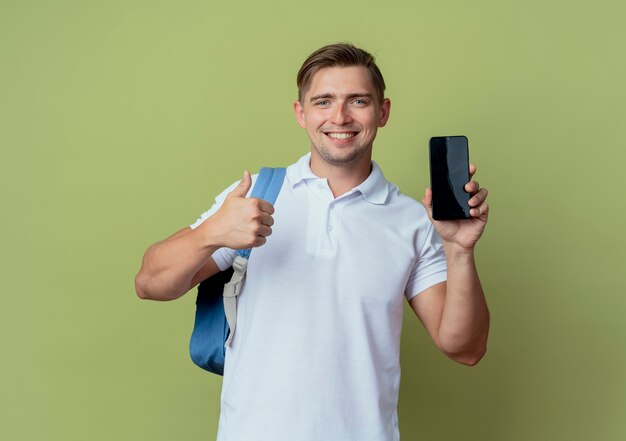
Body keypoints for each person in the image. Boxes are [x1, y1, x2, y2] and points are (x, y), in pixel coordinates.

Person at [135, 43, 490, 441]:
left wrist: (460, 252)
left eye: (358, 100)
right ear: (301, 113)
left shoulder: (412, 221)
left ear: (383, 112)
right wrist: (212, 233)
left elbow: (465, 347)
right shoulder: (254, 198)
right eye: (324, 101)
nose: (340, 117)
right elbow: (149, 283)